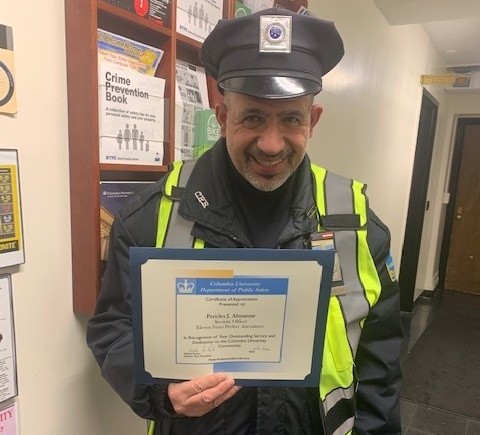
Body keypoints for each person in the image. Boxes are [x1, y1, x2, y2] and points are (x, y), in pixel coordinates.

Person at [87, 7, 403, 435]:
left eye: (291, 118)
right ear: (221, 116)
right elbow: (112, 325)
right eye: (252, 117)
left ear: (313, 120)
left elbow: (379, 364)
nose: (271, 145)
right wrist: (159, 392)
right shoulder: (152, 217)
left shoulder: (357, 224)